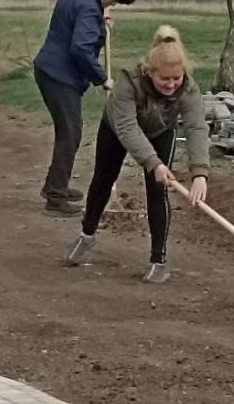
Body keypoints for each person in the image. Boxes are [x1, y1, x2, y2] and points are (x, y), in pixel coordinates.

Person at [64, 26, 209, 283]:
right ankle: (87, 234)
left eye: (176, 78)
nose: (171, 84)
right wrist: (154, 163)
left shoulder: (188, 89)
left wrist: (200, 173)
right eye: (165, 78)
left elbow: (196, 127)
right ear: (150, 72)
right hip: (117, 128)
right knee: (103, 179)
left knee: (158, 191)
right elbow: (127, 127)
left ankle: (158, 261)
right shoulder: (128, 82)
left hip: (161, 130)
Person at [33, 0, 139, 215]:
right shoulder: (90, 9)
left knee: (69, 132)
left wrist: (100, 24)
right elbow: (80, 48)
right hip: (59, 77)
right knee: (70, 134)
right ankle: (55, 198)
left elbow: (75, 24)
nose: (114, 5)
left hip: (49, 69)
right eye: (114, 1)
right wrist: (103, 79)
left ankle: (54, 186)